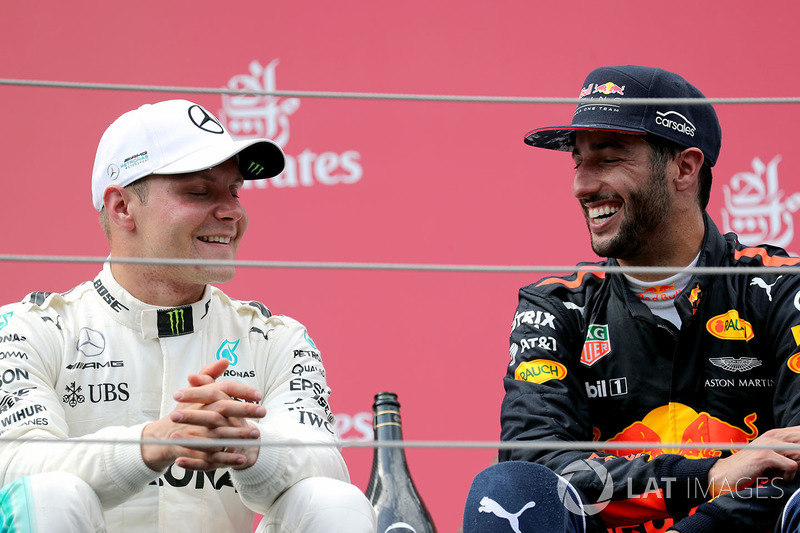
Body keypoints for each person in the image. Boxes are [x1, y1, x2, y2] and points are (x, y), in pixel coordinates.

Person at [0, 99, 377, 532]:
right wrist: (156, 441)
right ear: (122, 207)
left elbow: (326, 466)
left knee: (332, 501)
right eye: (199, 191)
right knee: (46, 495)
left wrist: (249, 445)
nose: (232, 211)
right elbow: (12, 465)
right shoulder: (28, 329)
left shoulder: (275, 339)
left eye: (234, 190)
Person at [462, 65, 800, 533]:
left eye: (608, 158)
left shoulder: (783, 289)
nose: (582, 185)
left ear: (684, 168)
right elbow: (536, 474)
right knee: (505, 495)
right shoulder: (558, 307)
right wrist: (707, 477)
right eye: (578, 162)